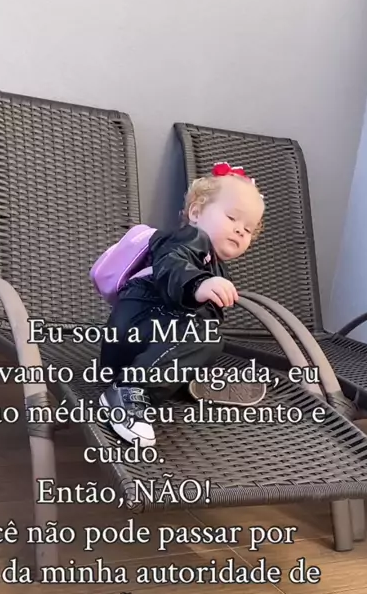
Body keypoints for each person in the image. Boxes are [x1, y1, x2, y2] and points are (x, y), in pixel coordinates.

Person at [98, 162, 266, 447]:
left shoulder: (214, 264)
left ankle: (181, 378)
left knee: (207, 340)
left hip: (144, 345)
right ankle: (129, 391)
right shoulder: (187, 239)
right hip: (138, 324)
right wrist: (198, 284)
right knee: (203, 337)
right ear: (196, 212)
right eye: (231, 218)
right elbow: (172, 265)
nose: (240, 231)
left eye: (248, 229)